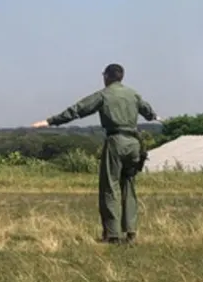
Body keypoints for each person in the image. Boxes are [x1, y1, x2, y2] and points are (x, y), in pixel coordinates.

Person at [31, 63, 161, 244]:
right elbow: (148, 112)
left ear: (107, 76)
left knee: (110, 186)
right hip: (134, 143)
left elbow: (78, 109)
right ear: (121, 76)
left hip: (116, 140)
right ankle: (131, 232)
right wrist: (155, 117)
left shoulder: (104, 95)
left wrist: (50, 121)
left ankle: (113, 234)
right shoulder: (133, 94)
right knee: (129, 186)